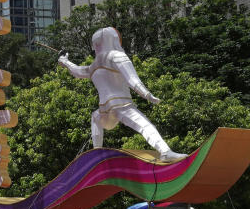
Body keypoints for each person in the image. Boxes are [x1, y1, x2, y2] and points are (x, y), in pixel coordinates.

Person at [57, 26, 187, 161]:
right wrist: (147, 94)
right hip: (122, 104)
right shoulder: (116, 56)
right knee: (145, 125)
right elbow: (132, 79)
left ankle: (97, 153)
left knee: (95, 117)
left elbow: (77, 70)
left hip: (105, 110)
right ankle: (165, 152)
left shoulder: (93, 66)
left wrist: (64, 61)